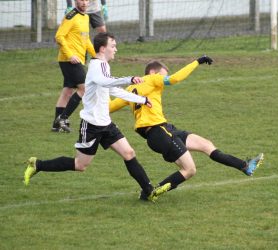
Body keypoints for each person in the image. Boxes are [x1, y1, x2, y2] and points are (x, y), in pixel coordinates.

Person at [24, 32, 171, 202]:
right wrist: (129, 79)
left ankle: (148, 191)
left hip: (106, 123)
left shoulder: (104, 65)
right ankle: (38, 165)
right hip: (92, 124)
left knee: (129, 153)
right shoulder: (97, 66)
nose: (116, 49)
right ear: (103, 48)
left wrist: (142, 99)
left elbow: (112, 89)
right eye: (113, 46)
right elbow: (106, 82)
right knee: (80, 165)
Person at [109, 56, 264, 200]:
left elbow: (110, 106)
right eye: (162, 75)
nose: (163, 80)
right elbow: (174, 78)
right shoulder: (150, 78)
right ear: (152, 72)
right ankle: (151, 192)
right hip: (158, 132)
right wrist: (197, 61)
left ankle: (245, 166)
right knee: (189, 170)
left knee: (206, 144)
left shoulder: (130, 90)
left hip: (165, 129)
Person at [52, 0, 96, 132]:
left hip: (78, 60)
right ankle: (62, 118)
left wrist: (96, 55)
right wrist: (70, 55)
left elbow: (86, 39)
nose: (84, 2)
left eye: (86, 0)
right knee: (84, 89)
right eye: (81, 0)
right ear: (76, 1)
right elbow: (59, 36)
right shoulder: (70, 16)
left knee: (67, 91)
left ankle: (56, 125)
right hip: (69, 60)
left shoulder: (86, 16)